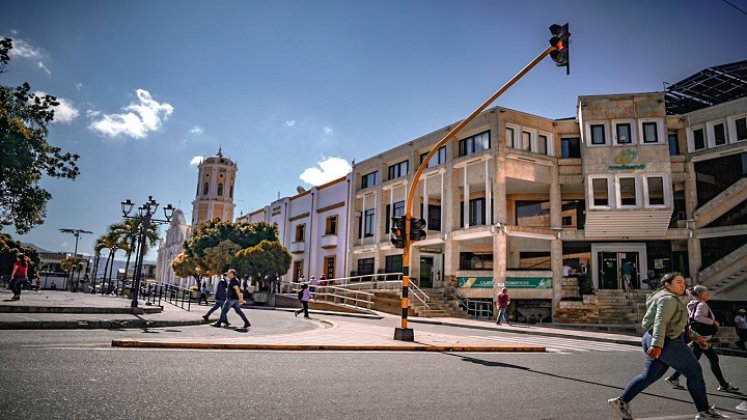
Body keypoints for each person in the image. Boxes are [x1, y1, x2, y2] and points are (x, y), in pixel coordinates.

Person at [608, 273, 729, 419]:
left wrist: (697, 338)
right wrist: (657, 345)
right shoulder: (668, 299)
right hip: (667, 341)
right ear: (667, 284)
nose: (682, 285)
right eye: (678, 282)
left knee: (649, 375)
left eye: (684, 282)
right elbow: (661, 321)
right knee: (694, 371)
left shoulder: (661, 296)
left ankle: (620, 402)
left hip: (652, 337)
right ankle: (704, 411)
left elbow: (676, 324)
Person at [664, 285, 739, 392]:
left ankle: (674, 377)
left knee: (699, 359)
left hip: (697, 335)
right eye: (706, 292)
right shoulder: (702, 304)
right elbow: (698, 317)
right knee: (712, 359)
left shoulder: (691, 304)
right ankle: (723, 385)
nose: (708, 294)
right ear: (701, 295)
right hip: (701, 337)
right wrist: (713, 322)